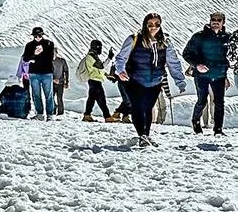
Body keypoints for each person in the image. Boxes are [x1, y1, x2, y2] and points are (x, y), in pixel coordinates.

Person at [113, 13, 187, 147]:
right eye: (150, 24)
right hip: (134, 80)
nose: (154, 27)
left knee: (148, 108)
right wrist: (120, 71)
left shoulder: (165, 42)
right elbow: (120, 58)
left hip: (155, 81)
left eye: (157, 24)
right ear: (145, 25)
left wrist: (179, 80)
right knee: (137, 107)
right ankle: (142, 135)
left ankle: (146, 135)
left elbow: (173, 62)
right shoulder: (134, 39)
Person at [183, 12, 231, 135]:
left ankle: (218, 129)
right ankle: (196, 122)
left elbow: (227, 59)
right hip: (202, 75)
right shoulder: (199, 36)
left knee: (219, 103)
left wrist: (225, 76)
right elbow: (186, 53)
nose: (215, 22)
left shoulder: (227, 38)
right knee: (202, 100)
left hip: (219, 75)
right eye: (213, 19)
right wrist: (197, 65)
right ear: (210, 21)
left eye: (219, 20)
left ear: (223, 22)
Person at [21, 27, 57, 120]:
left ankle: (50, 114)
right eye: (35, 36)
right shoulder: (29, 45)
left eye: (39, 35)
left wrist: (35, 58)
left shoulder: (49, 44)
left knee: (49, 94)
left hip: (47, 72)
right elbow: (25, 58)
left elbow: (50, 57)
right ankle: (39, 113)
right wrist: (35, 54)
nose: (37, 37)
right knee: (36, 95)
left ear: (42, 35)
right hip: (34, 73)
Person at [77, 40, 114, 122]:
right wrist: (109, 58)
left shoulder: (94, 57)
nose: (100, 49)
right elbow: (101, 66)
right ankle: (107, 117)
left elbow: (97, 70)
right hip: (94, 81)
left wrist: (107, 75)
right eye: (99, 47)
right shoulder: (90, 57)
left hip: (95, 80)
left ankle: (87, 115)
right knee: (101, 98)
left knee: (92, 99)